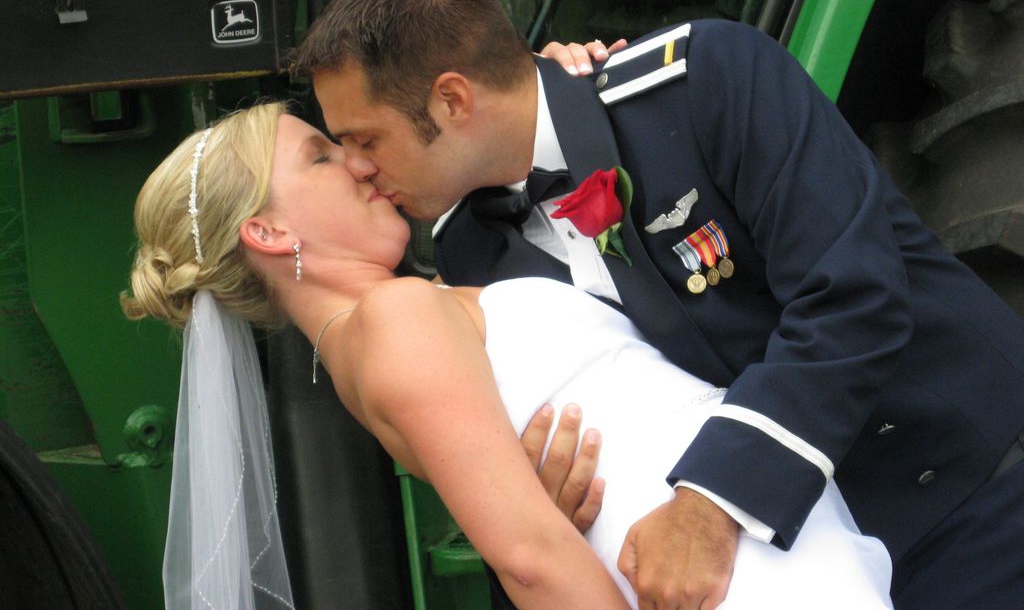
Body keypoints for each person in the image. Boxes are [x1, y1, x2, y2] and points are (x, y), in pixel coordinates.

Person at [289, 0, 1024, 610]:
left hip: (960, 493)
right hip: (782, 574)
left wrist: (711, 505)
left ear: (452, 99)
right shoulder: (468, 252)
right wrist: (552, 502)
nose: (358, 166)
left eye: (364, 139)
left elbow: (854, 296)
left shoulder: (706, 82)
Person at [121, 103, 895, 610]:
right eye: (321, 158)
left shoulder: (381, 336)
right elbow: (530, 557)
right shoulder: (394, 318)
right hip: (727, 572)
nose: (358, 163)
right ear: (270, 233)